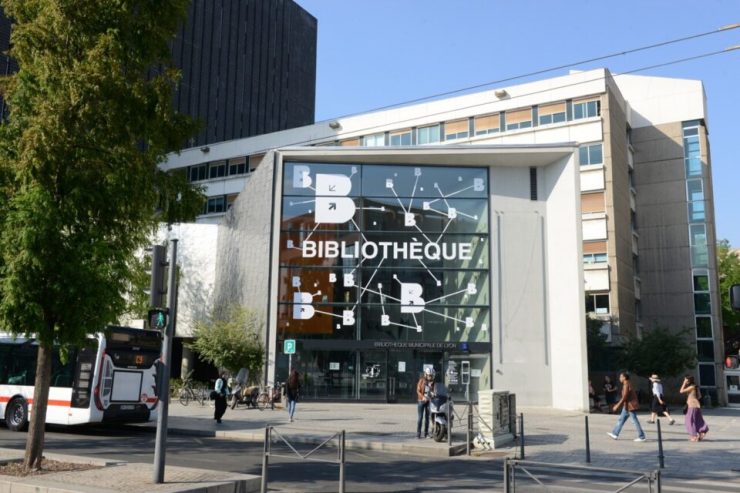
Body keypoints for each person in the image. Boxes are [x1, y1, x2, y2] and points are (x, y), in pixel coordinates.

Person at [606, 371, 646, 442]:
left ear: (624, 378)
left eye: (621, 377)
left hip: (630, 406)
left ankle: (642, 436)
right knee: (621, 419)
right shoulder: (626, 384)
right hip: (627, 406)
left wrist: (617, 405)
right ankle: (615, 433)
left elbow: (624, 397)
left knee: (634, 420)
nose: (619, 378)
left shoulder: (626, 385)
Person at [680, 375, 709, 442]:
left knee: (689, 421)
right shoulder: (695, 386)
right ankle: (702, 431)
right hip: (696, 405)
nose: (685, 381)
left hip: (692, 405)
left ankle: (694, 436)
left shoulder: (691, 387)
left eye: (686, 380)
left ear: (689, 380)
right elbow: (699, 396)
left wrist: (683, 383)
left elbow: (681, 391)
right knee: (697, 419)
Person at [416, 367, 435, 439]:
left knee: (427, 418)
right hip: (421, 401)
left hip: (428, 401)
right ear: (426, 375)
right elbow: (418, 391)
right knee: (420, 417)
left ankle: (426, 433)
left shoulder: (432, 382)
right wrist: (422, 397)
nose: (430, 377)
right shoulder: (421, 381)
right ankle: (418, 433)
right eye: (429, 375)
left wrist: (433, 394)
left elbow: (434, 391)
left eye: (432, 375)